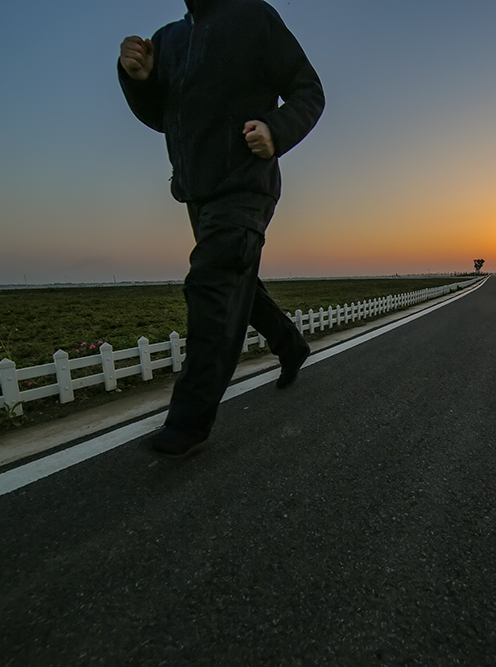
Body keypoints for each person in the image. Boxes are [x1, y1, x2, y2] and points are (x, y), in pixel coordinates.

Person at [118, 0, 324, 458]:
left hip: (246, 180)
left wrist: (275, 130)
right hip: (197, 189)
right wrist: (139, 79)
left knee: (213, 284)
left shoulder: (254, 17)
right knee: (236, 282)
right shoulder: (168, 38)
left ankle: (188, 422)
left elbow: (309, 90)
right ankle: (290, 346)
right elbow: (165, 116)